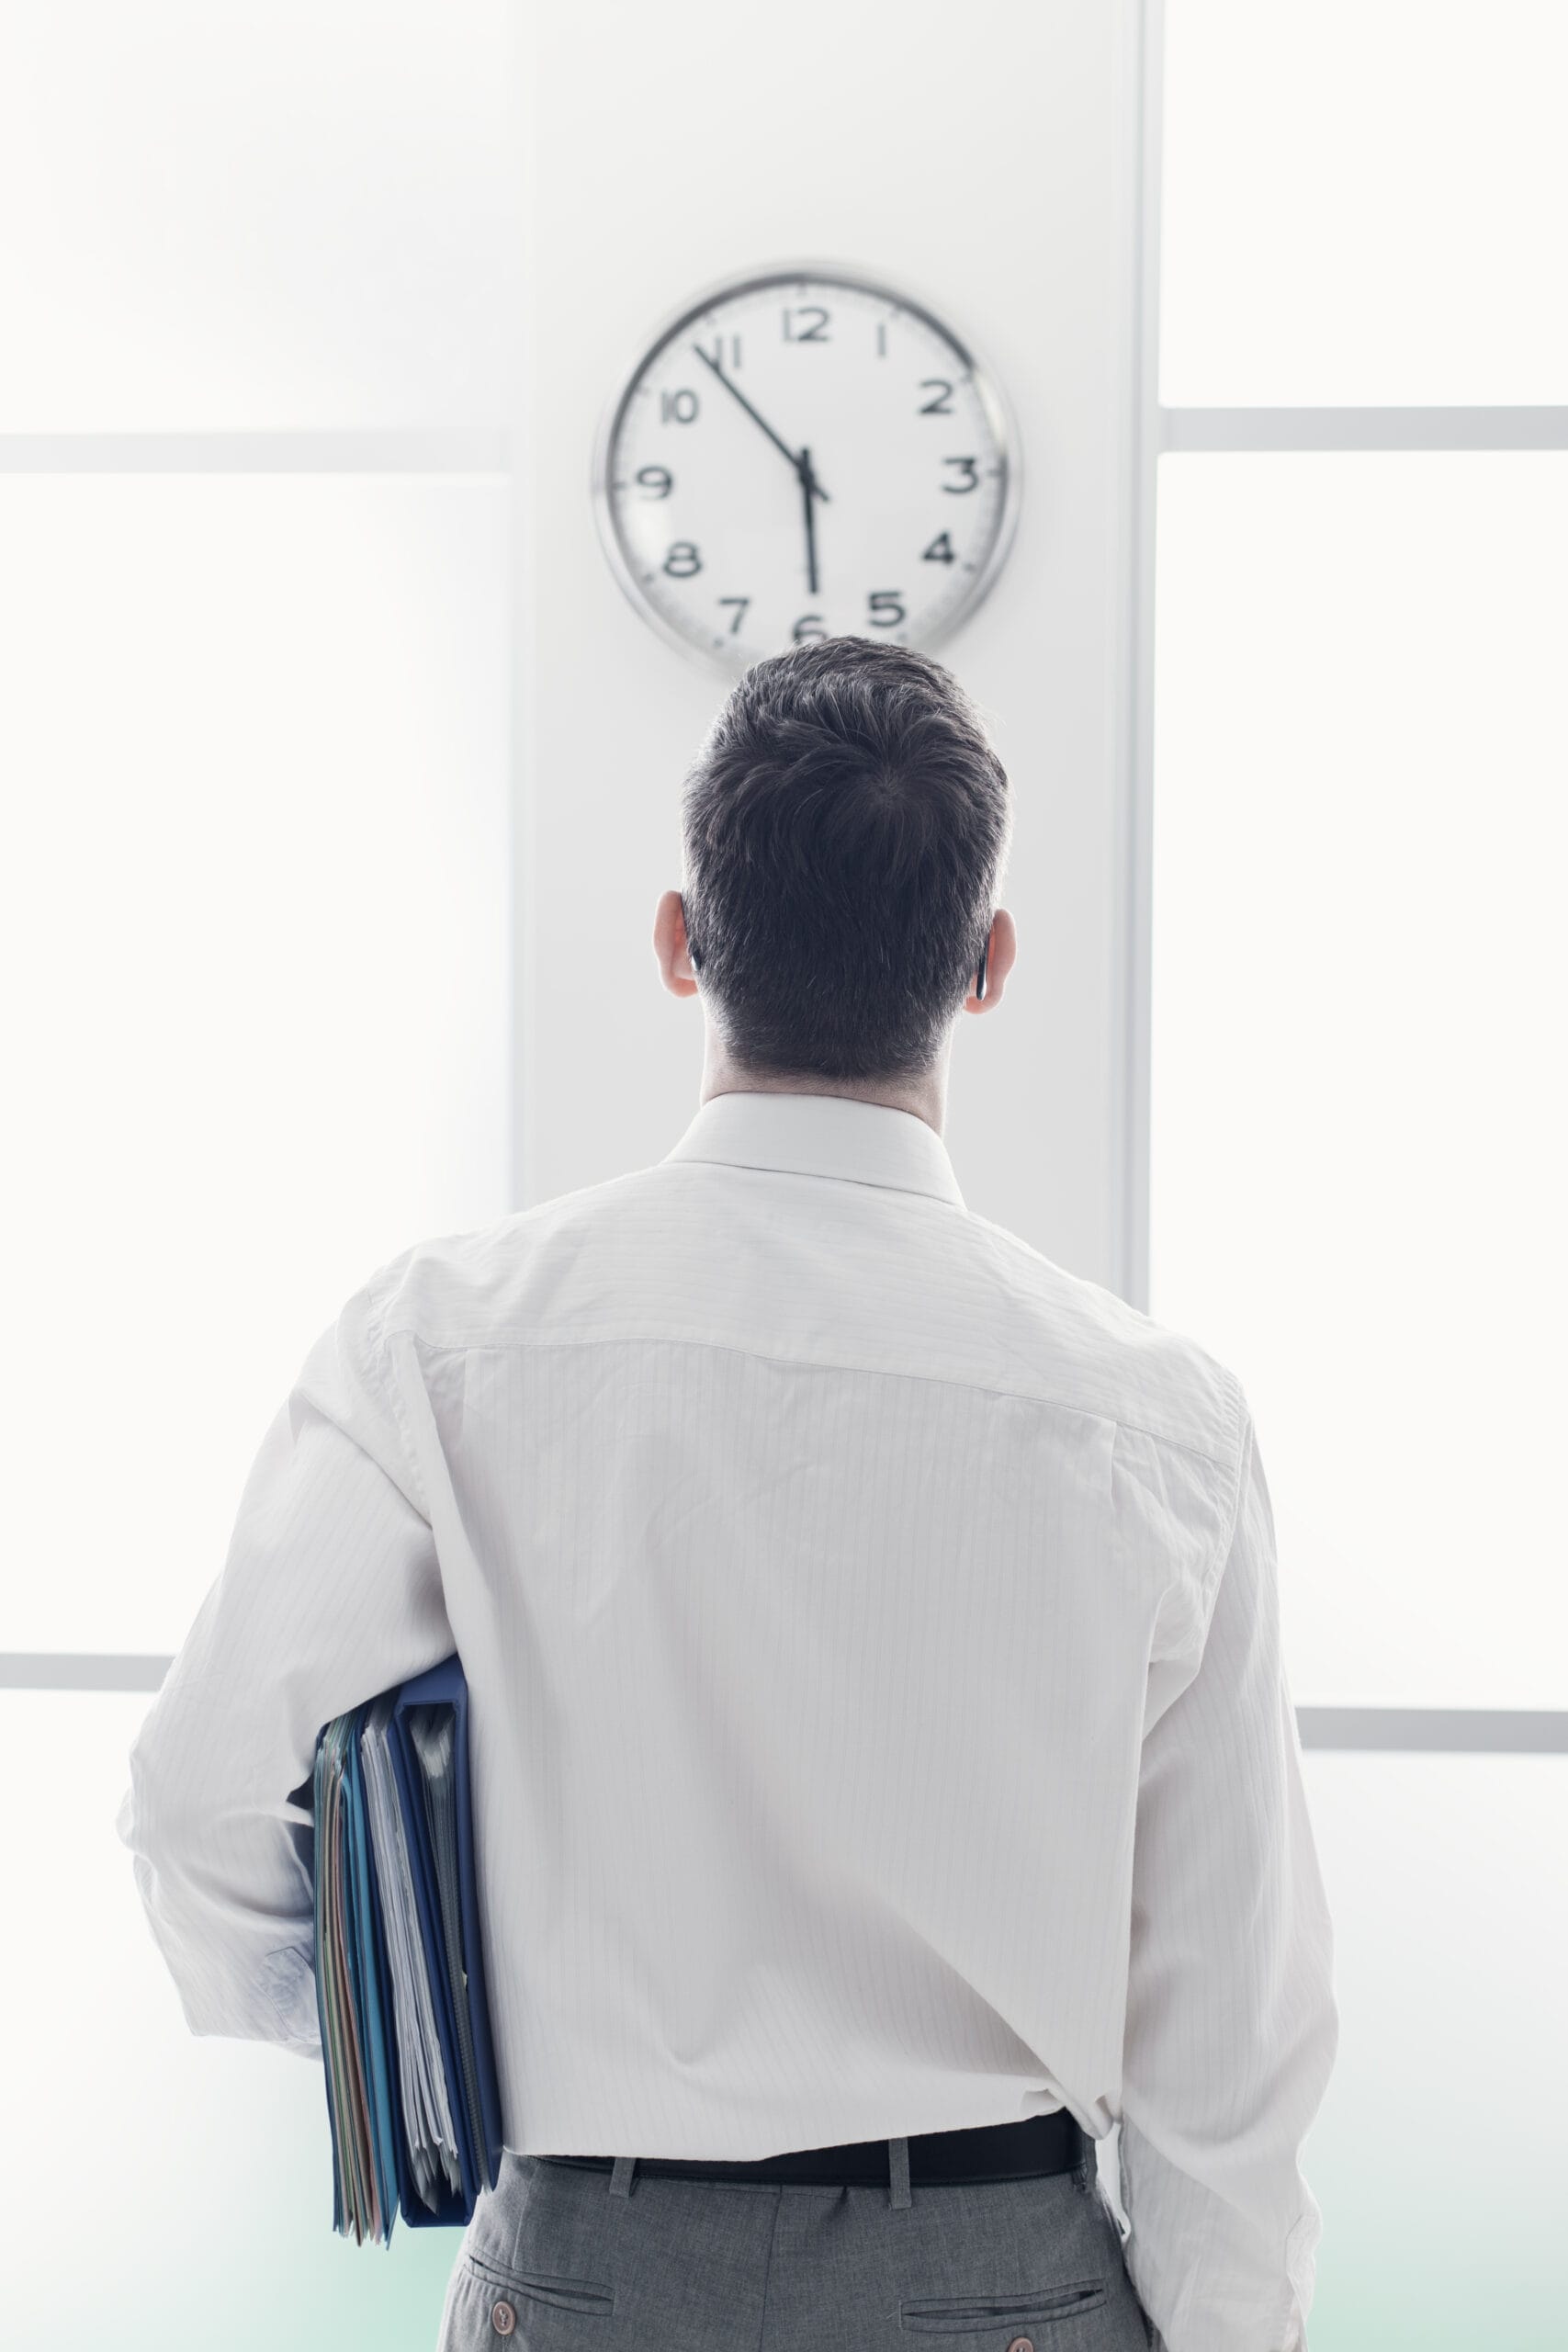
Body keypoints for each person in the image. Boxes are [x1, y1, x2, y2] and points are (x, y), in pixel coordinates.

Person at [117, 635, 1337, 2352]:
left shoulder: (442, 1345)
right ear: (985, 967)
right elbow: (1234, 2040)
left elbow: (195, 1810)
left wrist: (415, 2037)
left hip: (587, 2272)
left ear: (683, 939)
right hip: (998, 2286)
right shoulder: (1159, 1423)